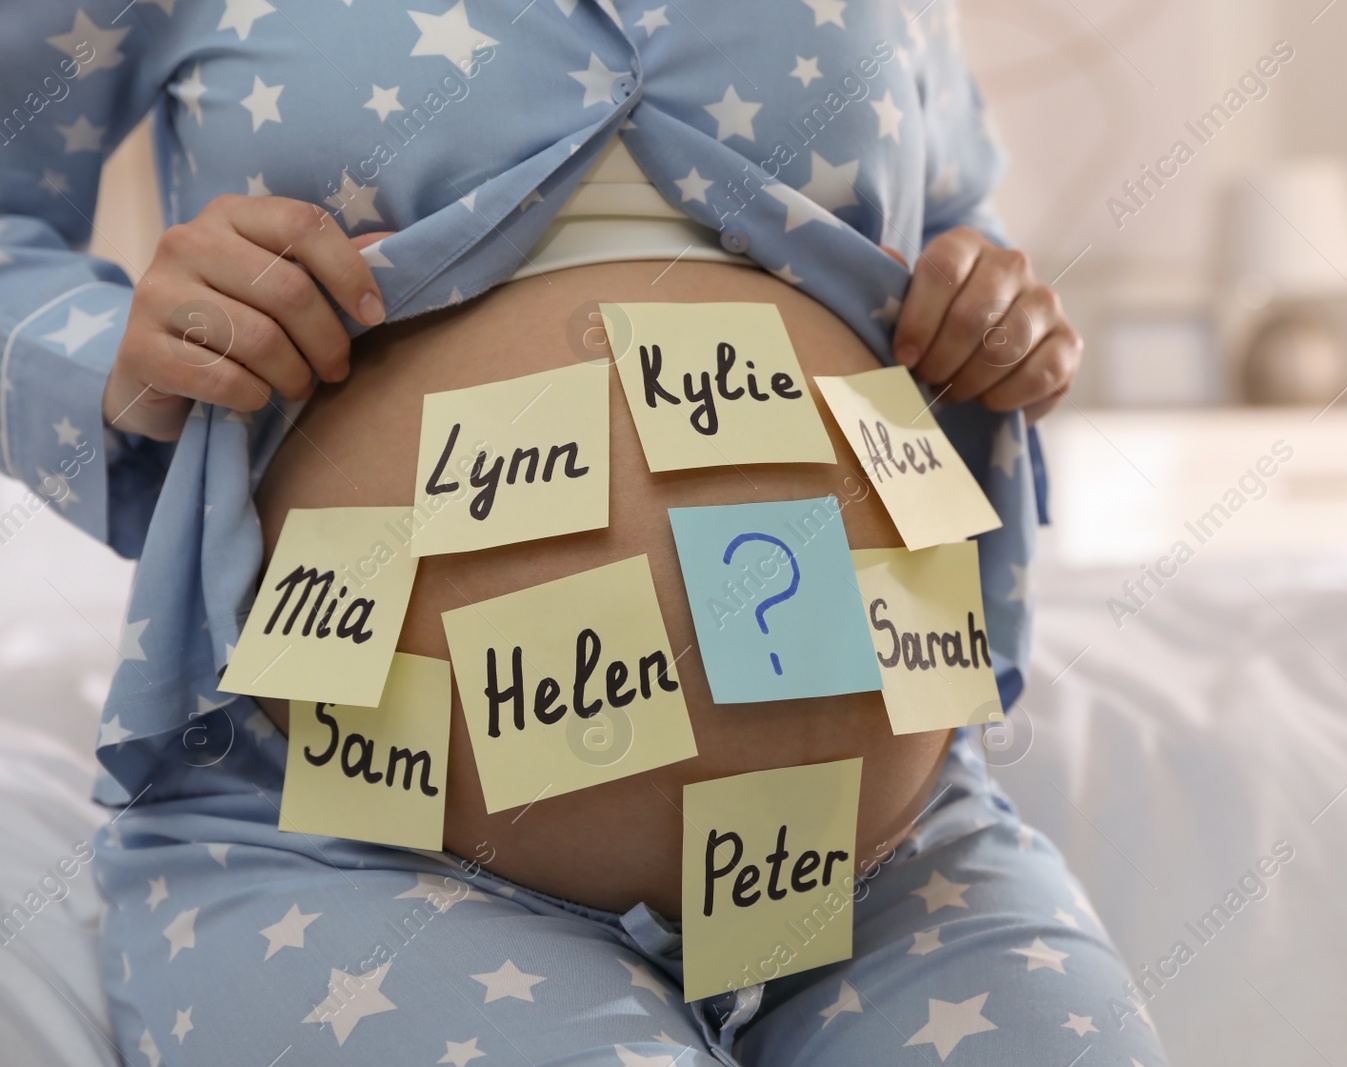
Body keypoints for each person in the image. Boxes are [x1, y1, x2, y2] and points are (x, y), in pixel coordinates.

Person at [0, 1, 1167, 1064]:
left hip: (895, 859)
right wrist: (120, 346)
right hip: (345, 845)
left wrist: (994, 308)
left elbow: (952, 219)